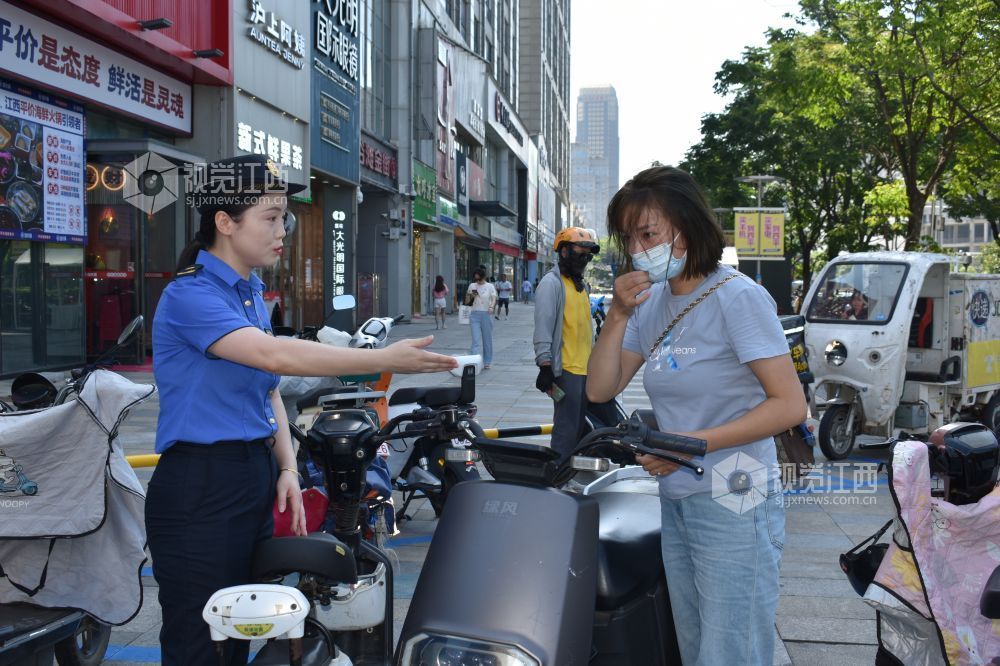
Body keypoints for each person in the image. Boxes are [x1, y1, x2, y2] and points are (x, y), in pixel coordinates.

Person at [146, 155, 457, 666]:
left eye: (283, 217)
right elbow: (274, 355)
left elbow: (266, 387)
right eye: (270, 218)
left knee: (241, 628)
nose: (282, 230)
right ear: (225, 222)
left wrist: (286, 466)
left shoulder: (246, 290)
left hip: (250, 473)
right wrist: (380, 358)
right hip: (198, 487)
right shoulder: (190, 294)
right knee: (200, 640)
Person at [586, 166, 806, 665]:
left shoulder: (738, 297)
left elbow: (790, 405)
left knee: (731, 651)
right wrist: (617, 315)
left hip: (736, 488)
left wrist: (688, 443)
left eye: (649, 233)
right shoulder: (653, 303)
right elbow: (602, 387)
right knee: (695, 645)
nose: (639, 248)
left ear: (688, 226)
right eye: (628, 237)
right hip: (679, 495)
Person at [533, 227, 619, 461]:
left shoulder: (582, 286)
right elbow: (543, 327)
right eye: (580, 251)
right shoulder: (551, 284)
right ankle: (557, 476)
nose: (585, 257)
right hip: (567, 371)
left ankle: (577, 471)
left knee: (585, 428)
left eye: (588, 253)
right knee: (566, 429)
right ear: (563, 252)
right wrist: (545, 366)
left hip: (587, 371)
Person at [465, 267, 497, 369]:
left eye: (479, 279)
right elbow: (468, 302)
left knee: (487, 339)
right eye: (476, 279)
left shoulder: (489, 286)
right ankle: (473, 362)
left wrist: (491, 307)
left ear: (484, 277)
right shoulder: (472, 286)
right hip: (474, 315)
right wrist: (470, 296)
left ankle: (487, 361)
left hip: (486, 314)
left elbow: (493, 298)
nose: (477, 281)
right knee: (475, 340)